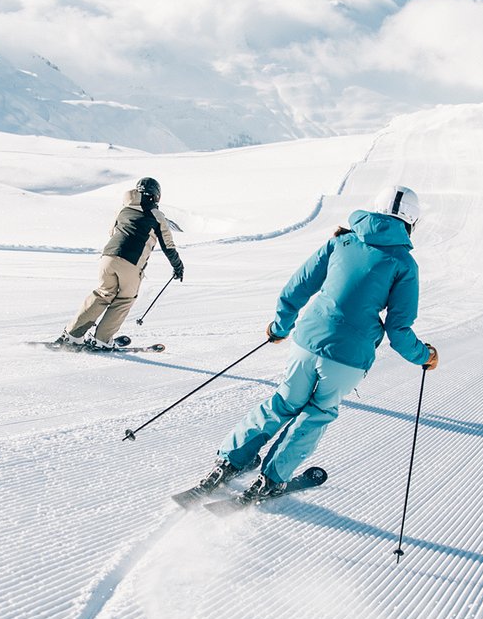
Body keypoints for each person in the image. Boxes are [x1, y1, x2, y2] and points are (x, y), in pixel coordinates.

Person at [193, 185, 439, 502]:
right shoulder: (404, 264)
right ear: (411, 222)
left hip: (307, 341)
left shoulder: (342, 240)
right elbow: (399, 330)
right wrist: (425, 356)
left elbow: (297, 286)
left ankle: (231, 459)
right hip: (348, 357)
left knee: (283, 402)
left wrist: (280, 326)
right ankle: (272, 478)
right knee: (318, 412)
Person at [58, 177, 183, 350]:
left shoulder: (123, 210)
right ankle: (102, 340)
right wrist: (178, 266)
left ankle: (73, 335)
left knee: (102, 294)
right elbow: (168, 246)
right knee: (124, 299)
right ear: (156, 196)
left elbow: (112, 232)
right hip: (131, 263)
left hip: (107, 257)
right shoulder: (156, 215)